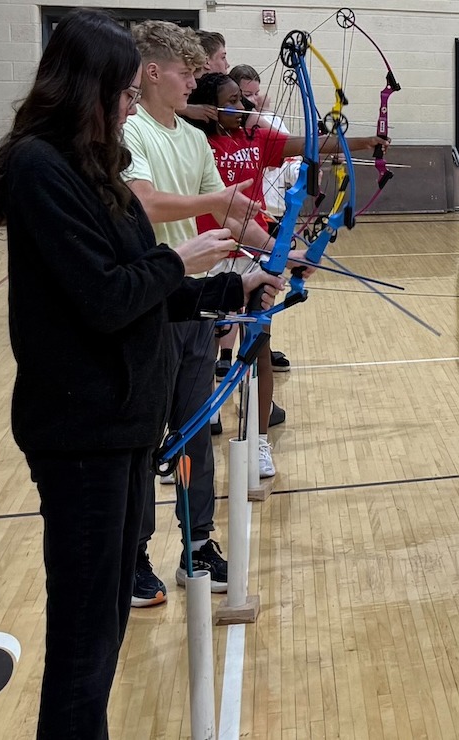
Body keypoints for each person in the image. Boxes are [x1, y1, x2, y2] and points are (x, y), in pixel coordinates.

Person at [0, 9, 280, 736]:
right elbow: (109, 294)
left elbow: (141, 280)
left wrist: (230, 287)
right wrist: (185, 259)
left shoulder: (89, 165)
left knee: (104, 625)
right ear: (88, 86)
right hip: (80, 430)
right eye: (118, 90)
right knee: (84, 640)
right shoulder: (40, 169)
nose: (125, 104)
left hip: (119, 426)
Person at [121, 19, 272, 606]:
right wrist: (216, 202)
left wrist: (280, 250)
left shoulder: (188, 136)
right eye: (188, 74)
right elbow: (146, 205)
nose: (194, 85)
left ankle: (197, 546)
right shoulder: (128, 131)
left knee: (193, 432)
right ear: (153, 72)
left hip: (196, 302)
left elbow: (232, 214)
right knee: (143, 437)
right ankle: (133, 555)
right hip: (149, 302)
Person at [186, 73, 383, 477]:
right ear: (210, 107)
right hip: (208, 250)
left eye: (243, 100)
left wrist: (361, 143)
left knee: (258, 345)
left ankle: (258, 443)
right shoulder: (194, 139)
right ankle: (193, 434)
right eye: (232, 101)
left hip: (258, 252)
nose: (243, 107)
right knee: (198, 348)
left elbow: (312, 145)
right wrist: (193, 111)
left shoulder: (256, 139)